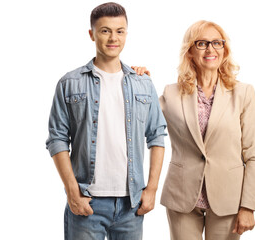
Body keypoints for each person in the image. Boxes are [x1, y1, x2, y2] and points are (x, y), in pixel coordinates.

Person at [45, 2, 167, 240]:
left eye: (120, 31)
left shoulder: (143, 83)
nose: (113, 38)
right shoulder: (69, 84)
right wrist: (72, 192)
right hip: (86, 202)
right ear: (91, 34)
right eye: (105, 30)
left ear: (126, 34)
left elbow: (157, 136)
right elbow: (57, 139)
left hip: (131, 204)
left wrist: (151, 189)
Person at [159, 20, 255, 240]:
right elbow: (143, 121)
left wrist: (249, 205)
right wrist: (136, 78)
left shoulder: (243, 93)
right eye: (202, 43)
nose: (210, 49)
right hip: (182, 198)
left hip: (229, 198)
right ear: (189, 51)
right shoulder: (171, 93)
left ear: (224, 50)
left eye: (217, 43)